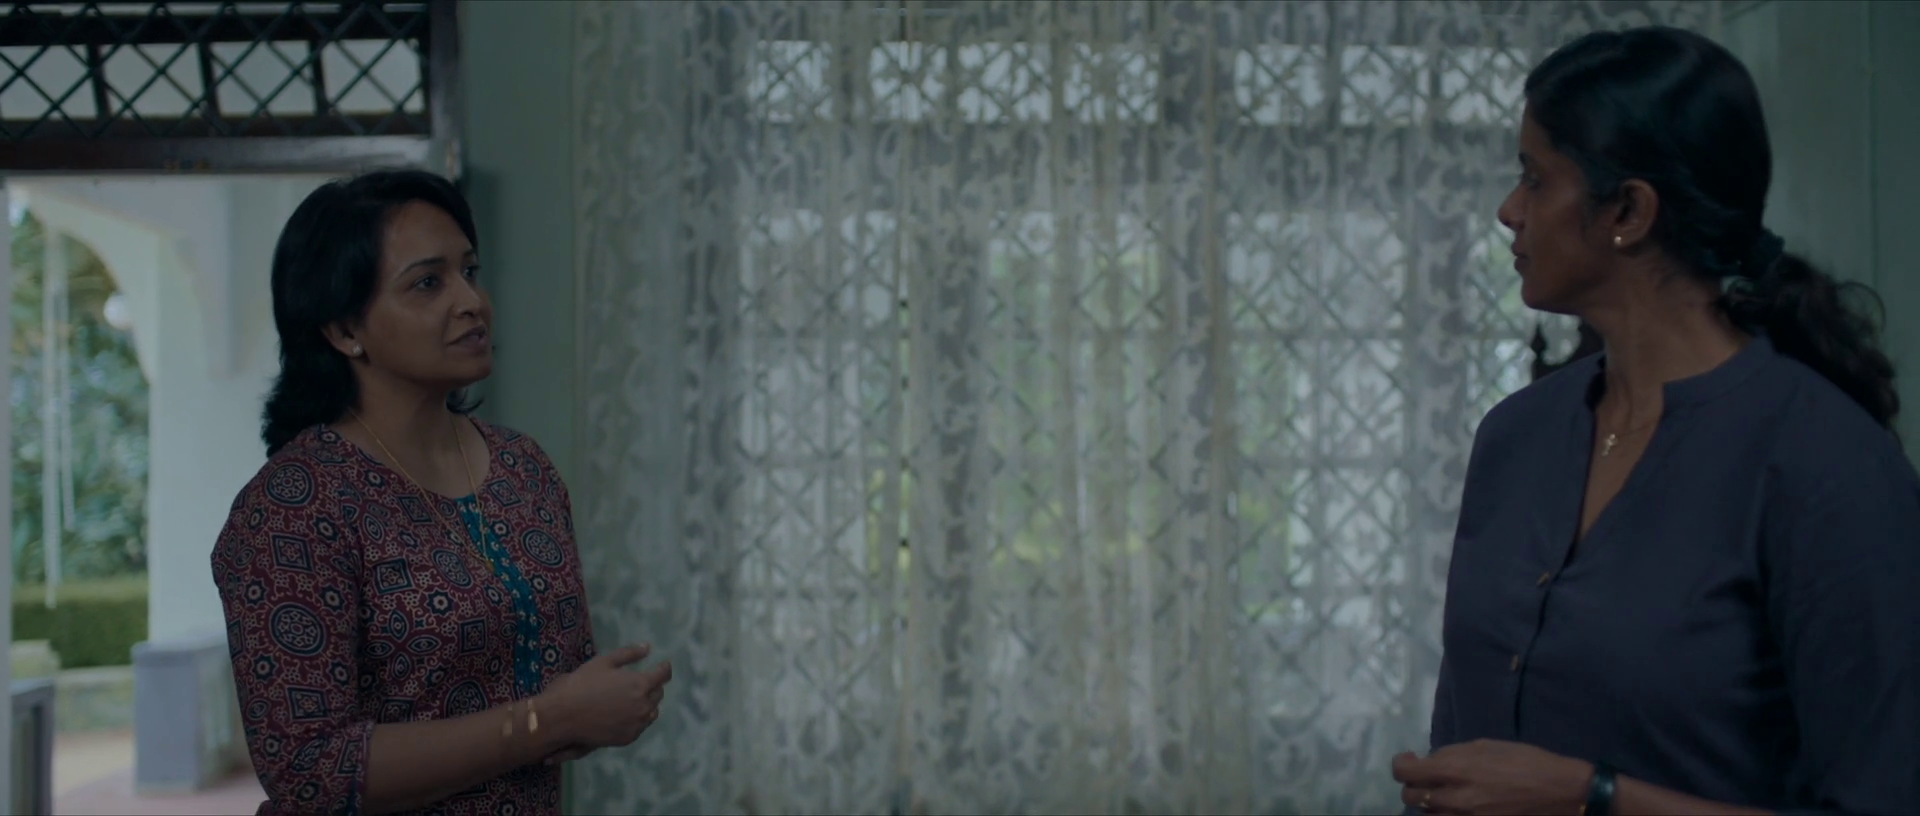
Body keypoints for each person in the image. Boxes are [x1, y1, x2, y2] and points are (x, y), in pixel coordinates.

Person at [1391, 26, 1920, 816]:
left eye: (1534, 178)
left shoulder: (1827, 465)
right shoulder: (1514, 438)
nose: (1509, 210)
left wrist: (1594, 797)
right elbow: (1462, 746)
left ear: (1629, 210)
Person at [211, 169, 672, 815]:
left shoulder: (523, 468)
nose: (471, 302)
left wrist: (593, 708)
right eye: (428, 283)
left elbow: (559, 687)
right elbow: (311, 771)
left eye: (470, 272)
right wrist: (547, 722)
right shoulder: (294, 506)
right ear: (343, 330)